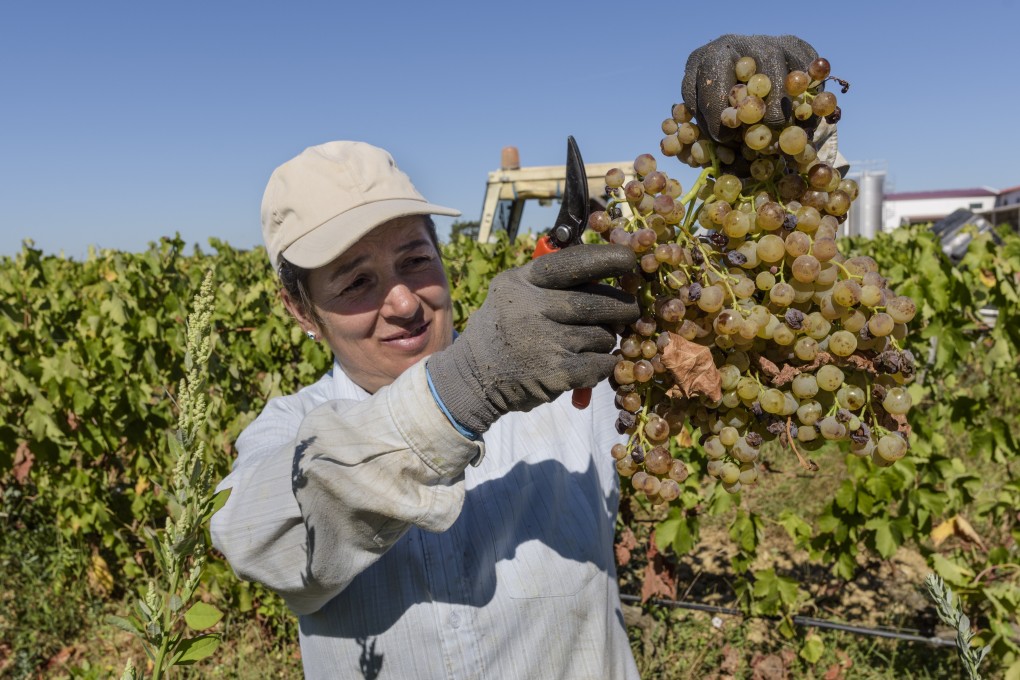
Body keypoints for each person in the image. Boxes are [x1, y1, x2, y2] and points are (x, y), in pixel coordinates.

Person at [211, 35, 830, 679]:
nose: (401, 302)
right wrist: (467, 386)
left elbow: (751, 323)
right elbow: (266, 541)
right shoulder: (290, 431)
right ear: (300, 309)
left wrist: (773, 142)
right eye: (354, 283)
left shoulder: (566, 365)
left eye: (416, 261)